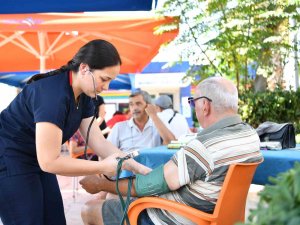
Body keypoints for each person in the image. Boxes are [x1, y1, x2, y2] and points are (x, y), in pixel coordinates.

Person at [0, 39, 150, 225]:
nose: (106, 87)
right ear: (85, 68)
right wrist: (102, 167)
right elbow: (49, 161)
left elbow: (99, 142)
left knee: (54, 220)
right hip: (10, 158)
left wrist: (136, 167)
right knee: (28, 220)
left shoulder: (85, 96)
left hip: (37, 159)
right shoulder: (52, 95)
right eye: (105, 79)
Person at [80, 76, 263, 225]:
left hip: (177, 217)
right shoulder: (250, 136)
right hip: (214, 215)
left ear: (205, 106)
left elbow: (146, 185)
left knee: (89, 209)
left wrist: (101, 185)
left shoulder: (204, 146)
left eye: (193, 102)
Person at [106, 90, 175, 152]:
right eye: (131, 104)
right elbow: (106, 152)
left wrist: (153, 115)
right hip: (127, 165)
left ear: (148, 105)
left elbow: (172, 144)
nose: (134, 108)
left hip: (152, 165)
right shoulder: (119, 127)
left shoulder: (158, 124)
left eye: (138, 103)